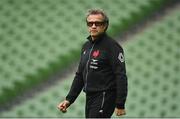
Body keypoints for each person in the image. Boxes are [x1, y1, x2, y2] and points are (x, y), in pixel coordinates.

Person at [57, 9, 128, 118]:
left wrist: (120, 104)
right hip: (90, 97)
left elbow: (121, 75)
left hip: (105, 95)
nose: (93, 26)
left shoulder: (112, 47)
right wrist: (69, 100)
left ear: (105, 26)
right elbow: (80, 75)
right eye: (90, 23)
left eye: (98, 23)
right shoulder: (86, 46)